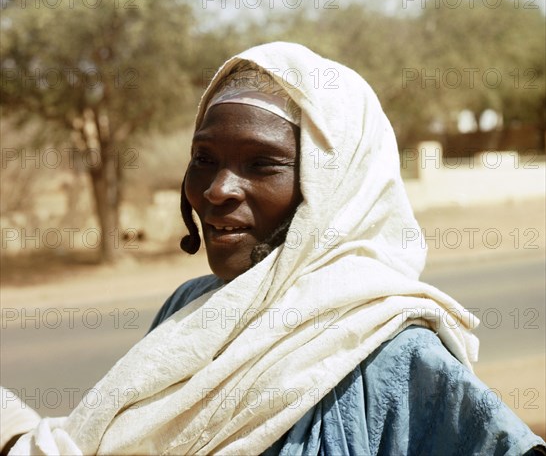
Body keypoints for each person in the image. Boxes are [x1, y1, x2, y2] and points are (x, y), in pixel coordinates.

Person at [10, 42, 545, 455]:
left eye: (262, 164)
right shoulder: (188, 309)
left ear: (333, 189)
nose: (218, 190)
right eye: (204, 158)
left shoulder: (391, 351)